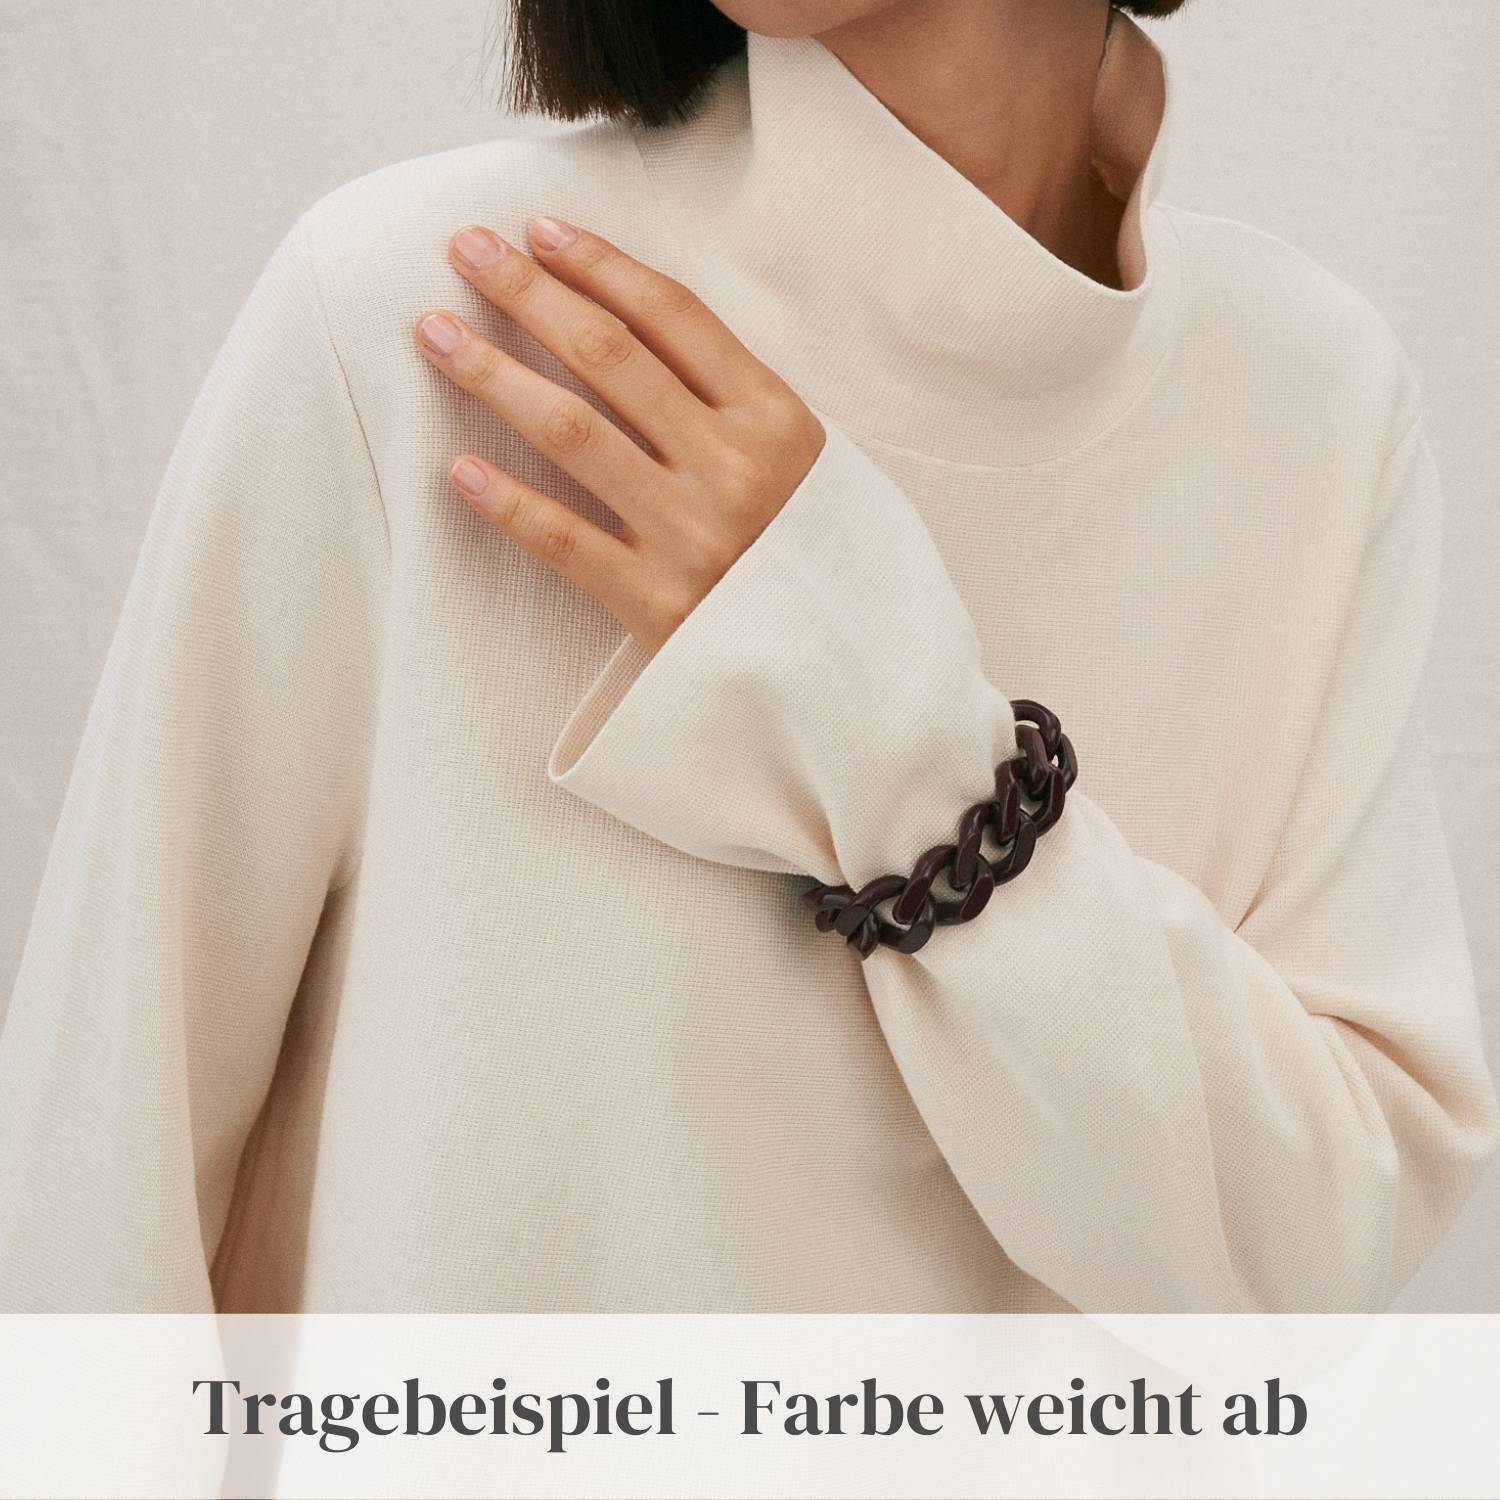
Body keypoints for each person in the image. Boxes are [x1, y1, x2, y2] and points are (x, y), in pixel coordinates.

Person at [1, 0, 1495, 1316]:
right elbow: (95, 1215)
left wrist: (881, 709)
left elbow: (1308, 1265)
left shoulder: (1305, 395)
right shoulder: (435, 317)